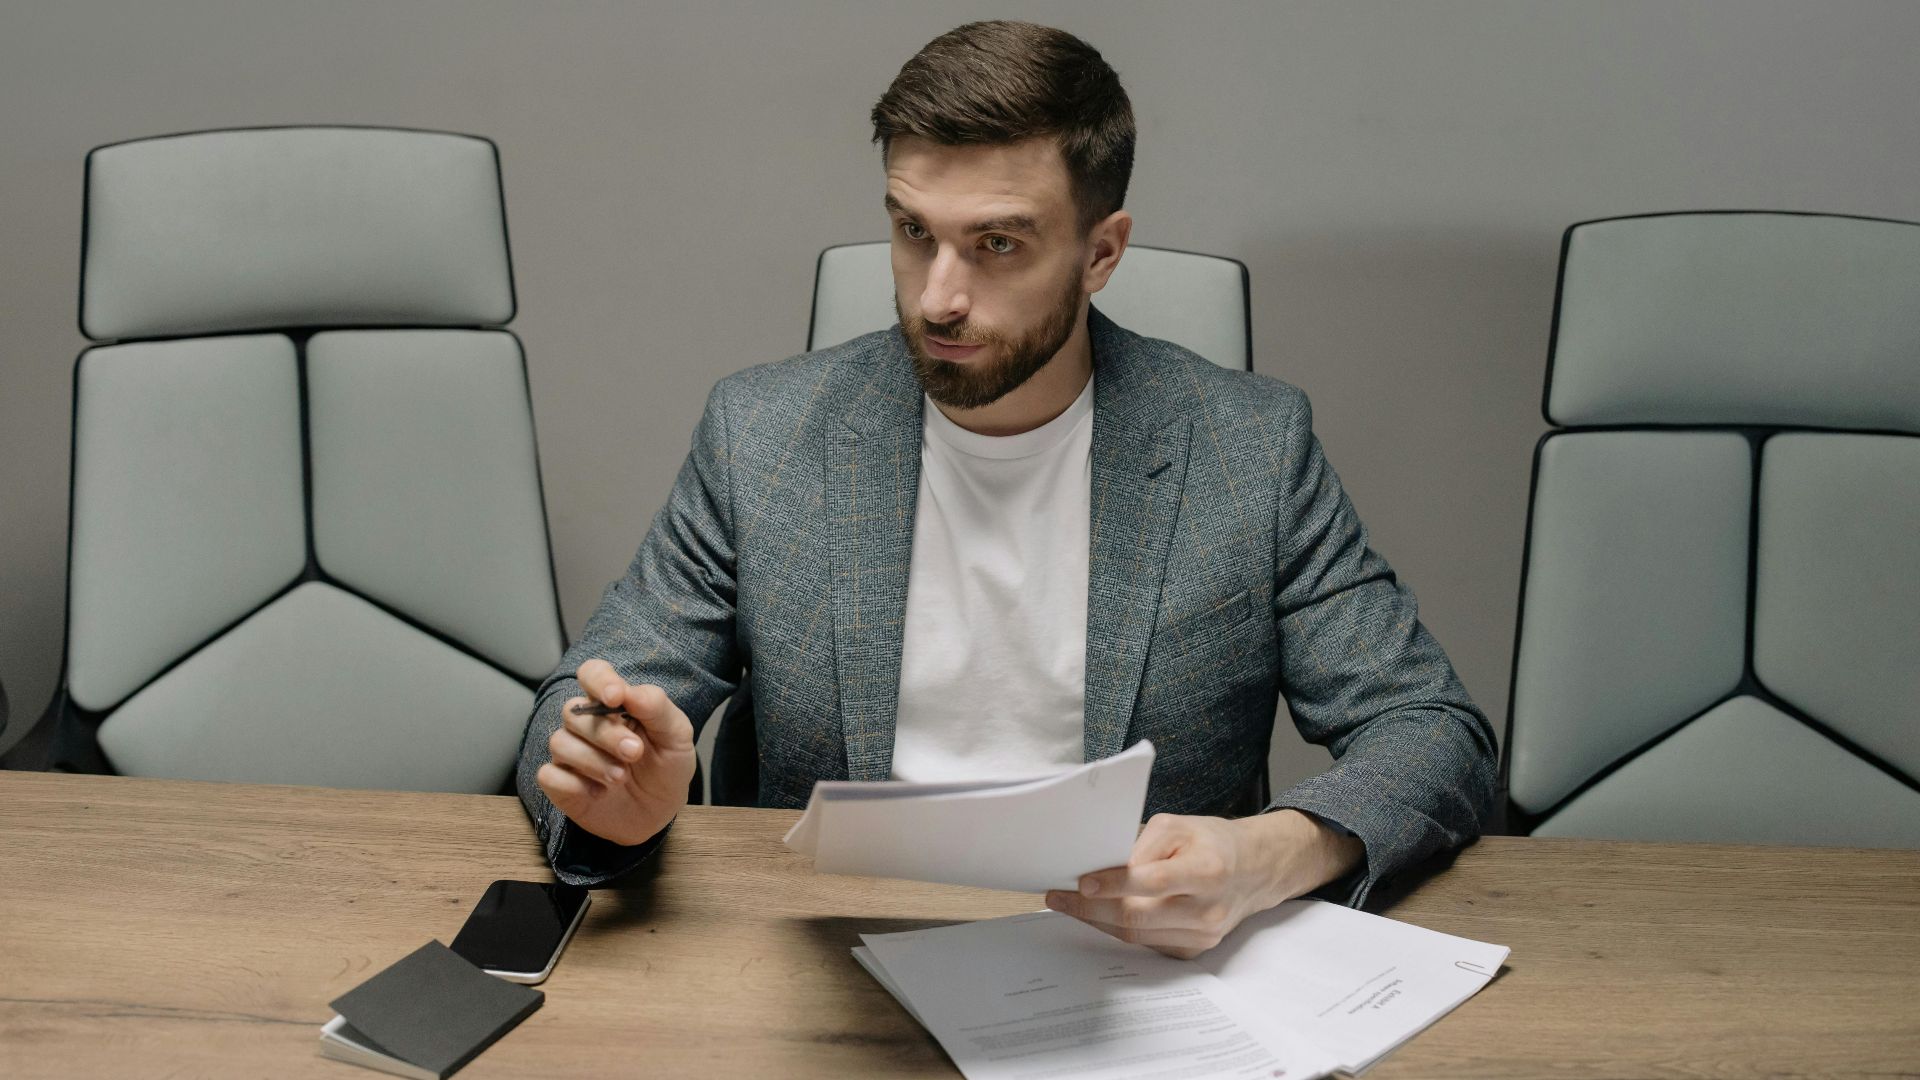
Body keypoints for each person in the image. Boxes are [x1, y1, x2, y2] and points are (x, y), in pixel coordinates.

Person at [517, 19, 1496, 959]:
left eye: (998, 244)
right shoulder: (764, 437)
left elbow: (1431, 733)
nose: (938, 294)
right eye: (913, 231)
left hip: (1137, 965)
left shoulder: (1250, 450)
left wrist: (1268, 855)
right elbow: (578, 703)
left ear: (1102, 252)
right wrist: (616, 789)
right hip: (835, 960)